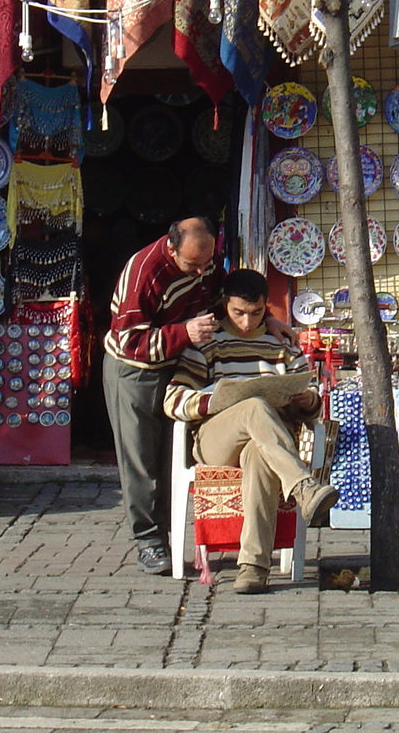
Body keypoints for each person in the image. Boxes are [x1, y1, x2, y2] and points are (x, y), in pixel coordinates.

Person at [165, 268, 339, 594]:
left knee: (260, 454)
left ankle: (254, 567)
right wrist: (212, 402)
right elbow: (173, 401)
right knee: (255, 406)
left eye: (256, 313)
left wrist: (305, 399)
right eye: (239, 314)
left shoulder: (282, 344)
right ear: (224, 305)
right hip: (217, 440)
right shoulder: (208, 343)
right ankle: (303, 487)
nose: (247, 322)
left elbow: (314, 406)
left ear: (266, 306)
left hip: (267, 443)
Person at [103, 216, 224, 574]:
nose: (201, 271)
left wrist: (267, 318)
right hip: (136, 371)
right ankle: (148, 542)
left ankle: (171, 537)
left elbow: (220, 296)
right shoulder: (144, 271)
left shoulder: (207, 262)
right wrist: (184, 332)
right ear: (171, 248)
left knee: (175, 456)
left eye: (206, 263)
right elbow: (131, 341)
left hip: (178, 366)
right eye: (192, 265)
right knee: (140, 460)